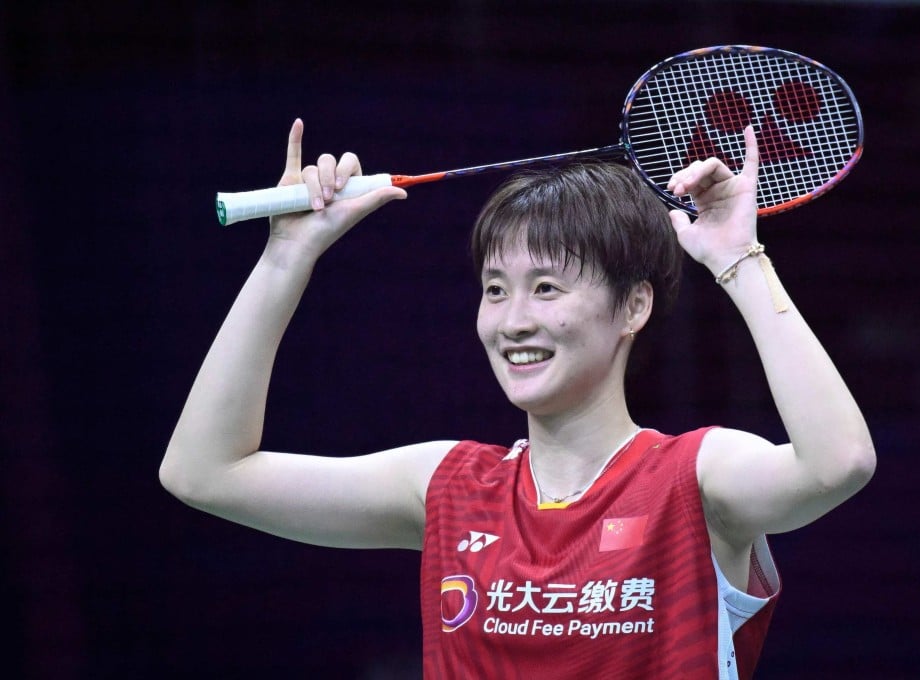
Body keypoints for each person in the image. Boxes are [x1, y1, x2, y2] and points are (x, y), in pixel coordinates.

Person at [160, 118, 875, 679]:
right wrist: (285, 259)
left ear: (633, 307)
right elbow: (203, 472)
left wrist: (738, 259)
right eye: (496, 289)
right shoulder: (447, 488)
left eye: (547, 288)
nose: (514, 321)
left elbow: (837, 462)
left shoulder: (694, 481)